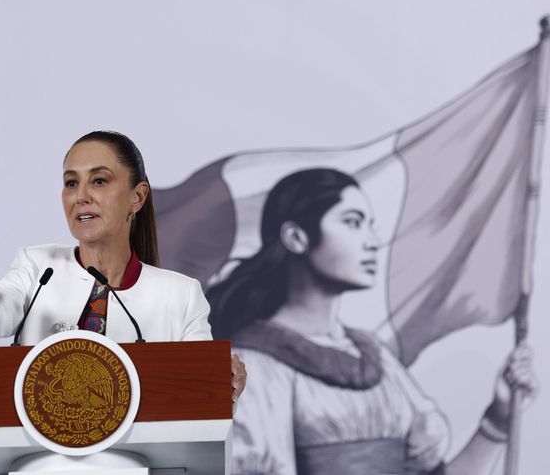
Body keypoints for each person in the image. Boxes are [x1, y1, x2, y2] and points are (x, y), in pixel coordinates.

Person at [207, 168, 539, 475]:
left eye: (370, 224)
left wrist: (498, 419)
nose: (371, 241)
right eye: (352, 222)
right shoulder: (246, 364)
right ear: (297, 238)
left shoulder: (376, 358)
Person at [0, 130, 246, 401]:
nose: (80, 196)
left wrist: (225, 382)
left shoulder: (181, 296)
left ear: (137, 197)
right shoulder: (38, 268)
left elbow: (200, 400)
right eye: (71, 183)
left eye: (99, 181)